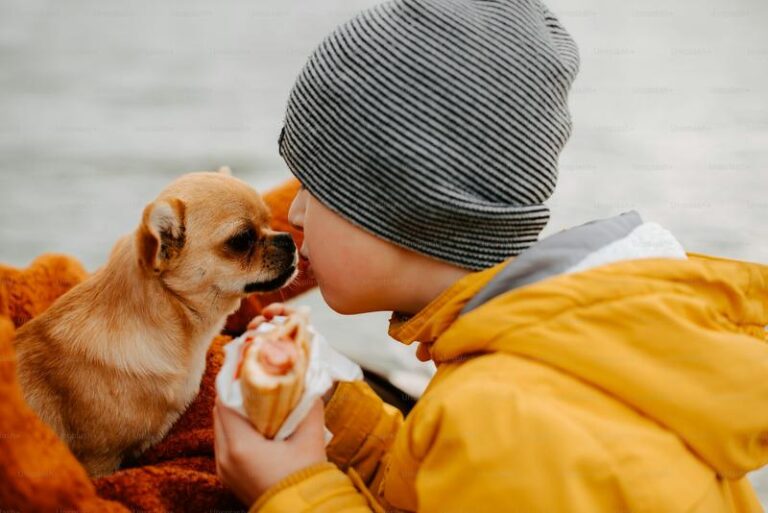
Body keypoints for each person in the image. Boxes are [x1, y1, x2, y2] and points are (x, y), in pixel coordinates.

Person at [213, 0, 768, 511]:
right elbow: (450, 486)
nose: (298, 213)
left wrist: (292, 490)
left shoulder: (502, 414)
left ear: (408, 205)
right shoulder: (539, 356)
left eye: (316, 186)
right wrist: (344, 420)